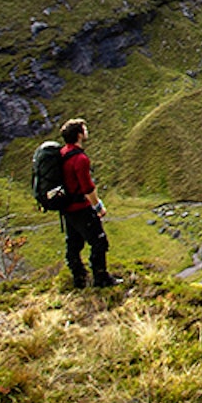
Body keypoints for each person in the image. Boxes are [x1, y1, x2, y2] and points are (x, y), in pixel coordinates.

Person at [60, 117, 117, 288]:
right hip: (81, 207)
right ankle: (101, 278)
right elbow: (87, 187)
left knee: (74, 243)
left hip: (67, 208)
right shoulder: (80, 159)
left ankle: (79, 278)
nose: (87, 132)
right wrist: (98, 206)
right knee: (99, 242)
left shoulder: (62, 153)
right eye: (84, 129)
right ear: (79, 134)